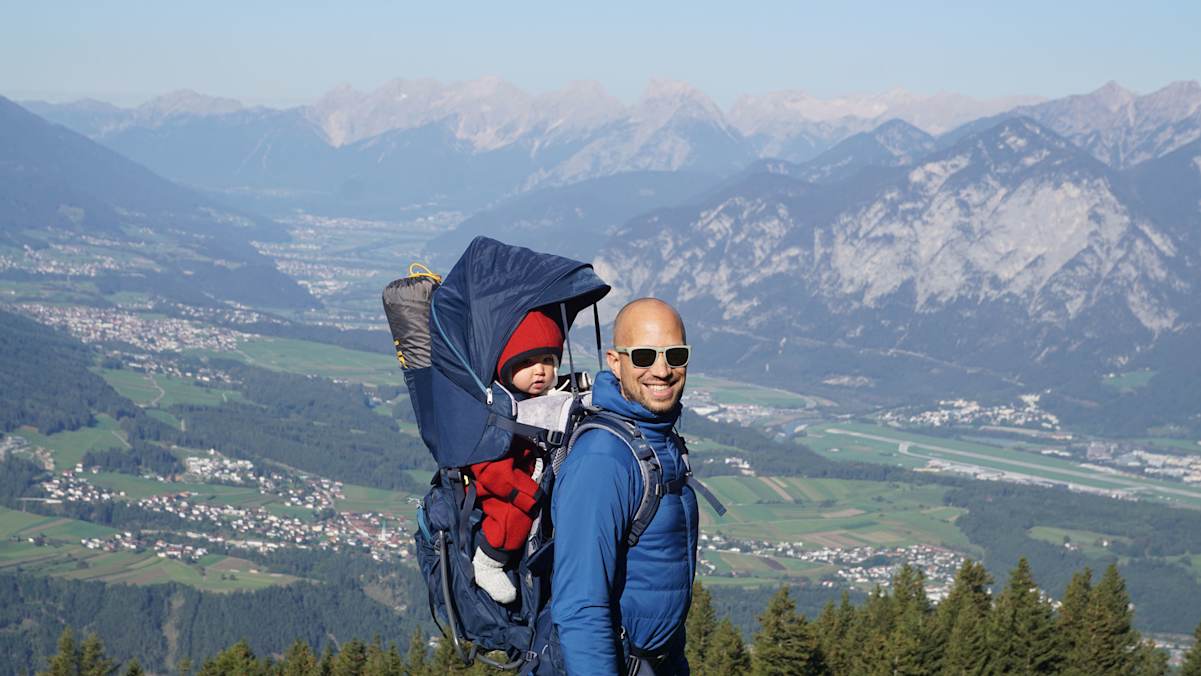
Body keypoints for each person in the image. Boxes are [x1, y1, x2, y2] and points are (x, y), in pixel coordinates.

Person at [551, 298, 698, 675]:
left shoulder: (659, 440)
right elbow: (581, 607)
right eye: (645, 356)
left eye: (675, 355)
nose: (662, 370)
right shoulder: (603, 460)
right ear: (615, 362)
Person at [470, 309, 562, 603]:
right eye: (527, 362)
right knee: (512, 518)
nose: (540, 370)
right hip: (504, 486)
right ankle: (488, 561)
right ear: (506, 368)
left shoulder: (541, 398)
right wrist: (528, 495)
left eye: (547, 361)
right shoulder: (499, 405)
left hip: (530, 474)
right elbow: (489, 467)